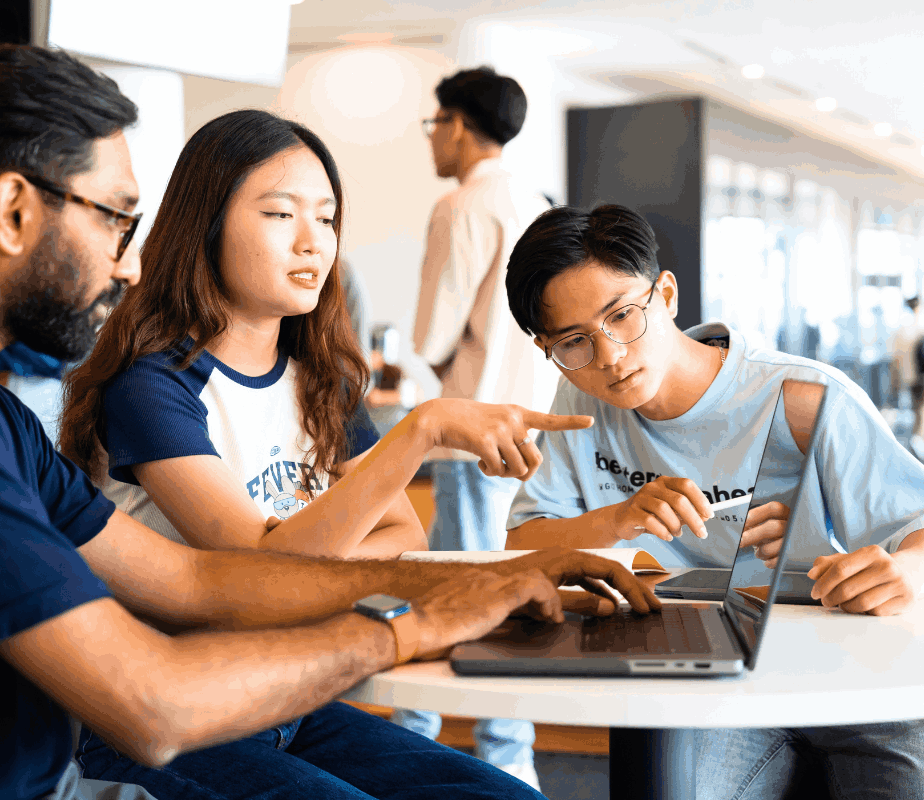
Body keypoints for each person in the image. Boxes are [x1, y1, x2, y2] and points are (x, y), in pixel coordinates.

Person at [0, 45, 662, 800]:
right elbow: (151, 704)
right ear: (15, 210)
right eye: (113, 219)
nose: (130, 264)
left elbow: (193, 580)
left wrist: (482, 580)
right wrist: (409, 623)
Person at [57, 108, 604, 797]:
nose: (314, 243)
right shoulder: (154, 384)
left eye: (328, 217)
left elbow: (403, 534)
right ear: (208, 222)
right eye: (281, 215)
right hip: (171, 720)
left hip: (292, 698)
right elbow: (253, 574)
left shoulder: (322, 377)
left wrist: (306, 559)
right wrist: (421, 430)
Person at [502, 203, 924, 800]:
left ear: (666, 294)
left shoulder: (802, 396)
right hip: (711, 677)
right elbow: (523, 544)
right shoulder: (581, 404)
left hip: (849, 668)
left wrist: (910, 568)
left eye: (623, 316)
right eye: (573, 342)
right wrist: (617, 519)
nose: (608, 357)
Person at [399, 65, 560, 786]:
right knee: (508, 586)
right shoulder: (535, 200)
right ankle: (510, 763)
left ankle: (433, 754)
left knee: (459, 593)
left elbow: (433, 336)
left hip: (471, 432)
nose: (433, 139)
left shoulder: (462, 205)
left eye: (435, 123)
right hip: (533, 430)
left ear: (459, 124)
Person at [890, 296, 924, 460]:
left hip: (910, 376)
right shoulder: (923, 323)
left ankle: (917, 441)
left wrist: (896, 379)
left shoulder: (901, 328)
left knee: (917, 409)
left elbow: (896, 357)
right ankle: (919, 440)